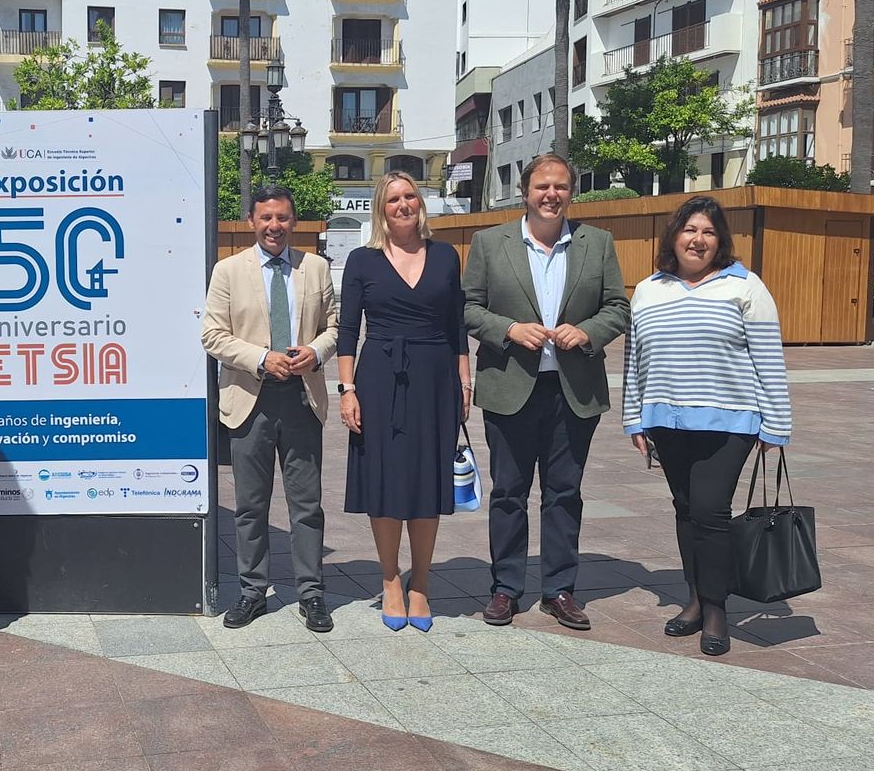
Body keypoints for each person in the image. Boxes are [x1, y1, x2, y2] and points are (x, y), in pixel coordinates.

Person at [462, 154, 629, 631]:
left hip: (573, 390)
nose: (551, 195)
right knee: (509, 493)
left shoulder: (598, 244)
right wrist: (510, 328)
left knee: (564, 492)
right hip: (510, 387)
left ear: (570, 192)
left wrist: (589, 331)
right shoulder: (491, 243)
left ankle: (559, 588)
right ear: (525, 191)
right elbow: (468, 308)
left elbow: (618, 306)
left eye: (560, 186)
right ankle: (505, 588)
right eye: (542, 187)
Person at [625, 196, 792, 656]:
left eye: (708, 232)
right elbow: (635, 360)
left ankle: (717, 609)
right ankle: (695, 599)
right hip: (667, 421)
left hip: (731, 421)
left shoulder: (746, 287)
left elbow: (768, 361)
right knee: (685, 509)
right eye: (689, 230)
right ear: (673, 236)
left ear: (720, 241)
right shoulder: (648, 289)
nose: (697, 240)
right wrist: (634, 418)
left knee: (711, 510)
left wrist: (776, 428)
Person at [201, 185, 339, 633]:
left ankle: (311, 594)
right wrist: (262, 358)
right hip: (249, 398)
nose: (274, 226)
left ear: (293, 221)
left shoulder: (316, 268)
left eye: (282, 218)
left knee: (307, 504)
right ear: (251, 221)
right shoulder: (227, 271)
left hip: (302, 396)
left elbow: (336, 326)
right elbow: (213, 335)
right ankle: (252, 591)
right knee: (250, 505)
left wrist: (315, 352)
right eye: (266, 218)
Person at [338, 171, 469, 632]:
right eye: (393, 198)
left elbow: (457, 325)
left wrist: (464, 382)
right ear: (381, 208)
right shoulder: (361, 260)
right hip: (378, 379)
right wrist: (347, 389)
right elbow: (348, 330)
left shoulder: (446, 255)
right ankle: (391, 578)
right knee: (387, 479)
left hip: (436, 378)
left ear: (421, 202)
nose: (403, 204)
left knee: (428, 480)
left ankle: (423, 584)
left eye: (410, 196)